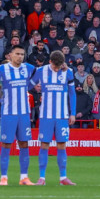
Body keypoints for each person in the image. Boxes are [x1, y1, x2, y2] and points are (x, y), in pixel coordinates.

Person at [31, 50, 76, 186]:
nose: (57, 69)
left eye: (59, 66)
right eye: (55, 66)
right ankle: (42, 178)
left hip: (62, 116)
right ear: (50, 62)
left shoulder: (68, 72)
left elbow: (72, 94)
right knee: (44, 145)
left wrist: (72, 113)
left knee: (62, 145)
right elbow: (29, 84)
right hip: (46, 116)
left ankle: (63, 177)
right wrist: (36, 87)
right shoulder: (41, 71)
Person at [0, 44, 36, 186]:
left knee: (24, 144)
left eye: (22, 54)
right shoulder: (2, 69)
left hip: (24, 113)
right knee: (6, 144)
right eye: (17, 54)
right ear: (10, 55)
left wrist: (29, 86)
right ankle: (3, 177)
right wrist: (1, 97)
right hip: (8, 113)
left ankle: (24, 177)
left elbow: (39, 75)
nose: (20, 56)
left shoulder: (28, 68)